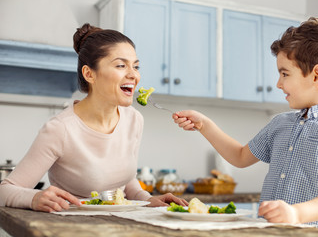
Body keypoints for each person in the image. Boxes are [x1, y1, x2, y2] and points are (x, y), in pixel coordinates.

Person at [172, 17, 318, 230]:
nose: (278, 83)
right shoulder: (280, 122)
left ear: (317, 75)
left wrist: (296, 213)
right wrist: (204, 125)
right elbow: (241, 156)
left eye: (285, 73)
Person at [0, 23, 187, 212]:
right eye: (121, 65)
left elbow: (126, 182)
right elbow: (4, 191)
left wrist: (148, 199)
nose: (134, 75)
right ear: (89, 74)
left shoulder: (134, 120)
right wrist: (34, 198)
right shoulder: (60, 129)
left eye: (136, 66)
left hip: (124, 226)